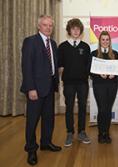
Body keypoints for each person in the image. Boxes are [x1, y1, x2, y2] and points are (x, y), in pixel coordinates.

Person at [20, 15, 61, 166]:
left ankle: (46, 142)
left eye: (50, 25)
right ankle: (31, 149)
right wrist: (31, 88)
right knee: (32, 121)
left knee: (49, 118)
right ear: (39, 26)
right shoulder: (30, 42)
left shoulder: (54, 44)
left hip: (50, 87)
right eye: (45, 25)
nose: (48, 28)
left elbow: (53, 66)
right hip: (35, 89)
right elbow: (26, 67)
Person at [58, 18, 91, 147]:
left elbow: (89, 65)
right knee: (69, 107)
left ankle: (82, 131)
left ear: (81, 31)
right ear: (69, 30)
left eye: (78, 29)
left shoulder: (85, 47)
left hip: (83, 83)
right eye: (73, 28)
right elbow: (60, 66)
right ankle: (70, 132)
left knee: (83, 107)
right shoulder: (63, 46)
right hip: (68, 83)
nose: (76, 31)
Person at [90, 31, 118, 144]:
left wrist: (115, 74)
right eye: (103, 39)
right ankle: (100, 133)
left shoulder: (115, 54)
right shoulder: (94, 54)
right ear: (100, 41)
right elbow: (90, 70)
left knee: (108, 109)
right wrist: (98, 74)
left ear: (110, 41)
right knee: (102, 109)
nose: (105, 42)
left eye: (107, 39)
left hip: (112, 85)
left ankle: (106, 133)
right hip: (99, 85)